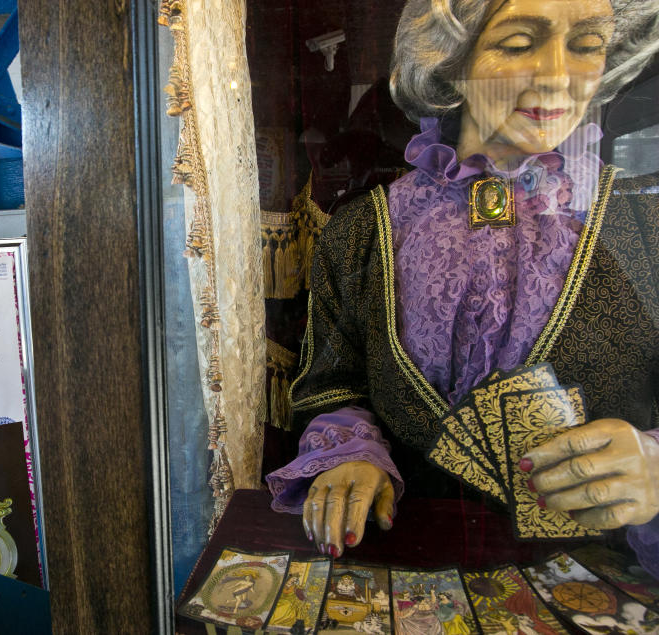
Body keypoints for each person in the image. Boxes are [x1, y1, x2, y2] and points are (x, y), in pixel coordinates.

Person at [266, 0, 659, 572]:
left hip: (596, 584)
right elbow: (333, 384)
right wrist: (350, 454)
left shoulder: (644, 225)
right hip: (410, 567)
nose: (556, 75)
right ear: (451, 60)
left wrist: (651, 466)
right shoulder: (362, 231)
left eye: (587, 44)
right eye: (519, 44)